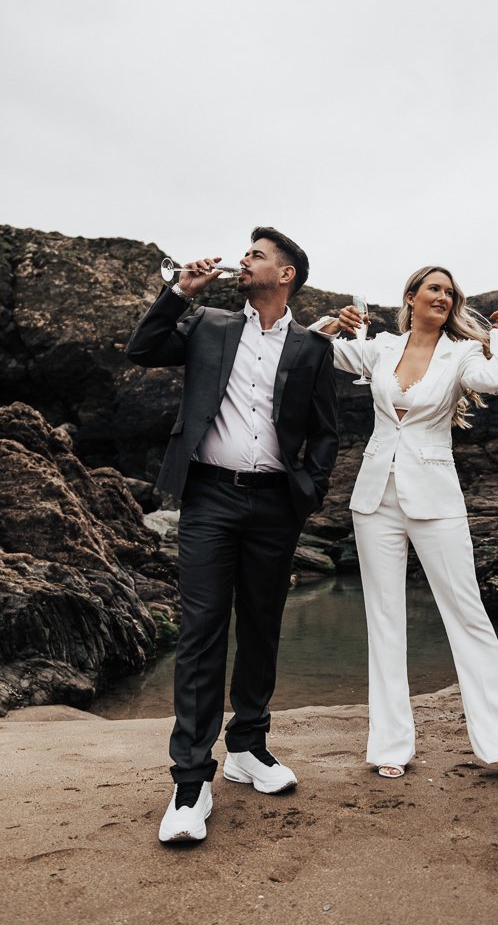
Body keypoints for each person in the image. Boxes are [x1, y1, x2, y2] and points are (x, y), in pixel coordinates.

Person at [127, 227, 338, 843]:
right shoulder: (209, 325)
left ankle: (248, 746)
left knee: (264, 626)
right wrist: (178, 293)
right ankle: (191, 783)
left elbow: (325, 432)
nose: (243, 262)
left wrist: (308, 491)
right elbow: (142, 349)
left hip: (276, 505)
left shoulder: (309, 348)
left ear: (287, 274)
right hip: (210, 497)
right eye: (246, 253)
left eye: (256, 255)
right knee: (201, 633)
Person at [310, 265, 498, 787]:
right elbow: (310, 350)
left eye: (450, 292)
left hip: (436, 498)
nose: (442, 296)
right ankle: (390, 745)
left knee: (468, 616)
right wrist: (334, 320)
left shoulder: (461, 353)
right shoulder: (378, 348)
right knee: (384, 620)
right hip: (374, 498)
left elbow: (494, 380)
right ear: (411, 297)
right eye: (434, 288)